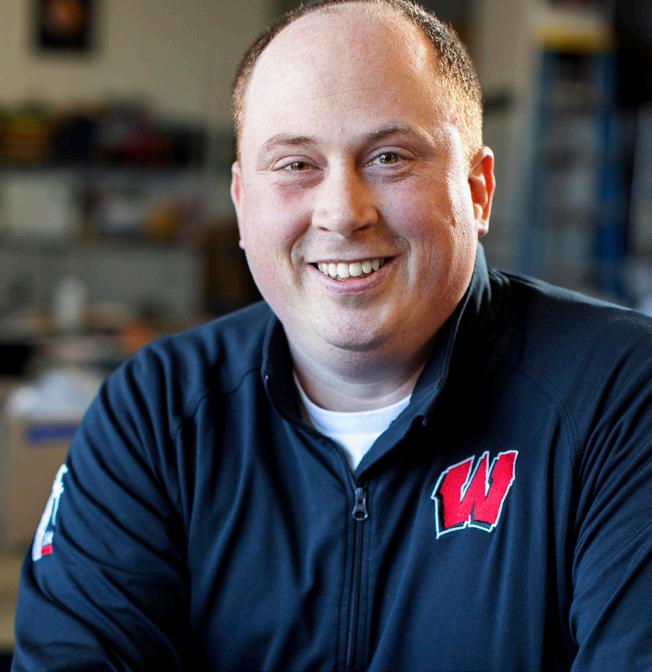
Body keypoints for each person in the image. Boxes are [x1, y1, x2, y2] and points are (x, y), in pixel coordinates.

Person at [12, 1, 652, 670]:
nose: (343, 213)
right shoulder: (155, 412)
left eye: (390, 157)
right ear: (242, 203)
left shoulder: (617, 396)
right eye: (295, 164)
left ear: (478, 189)